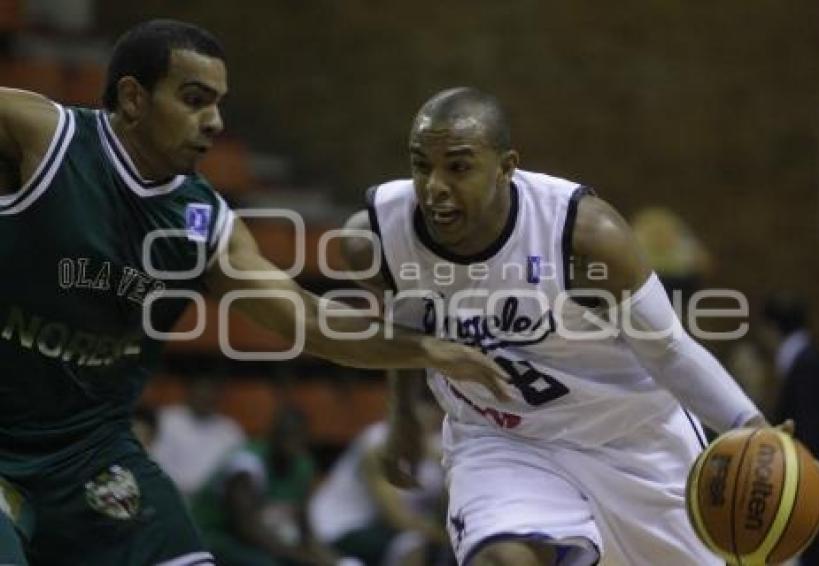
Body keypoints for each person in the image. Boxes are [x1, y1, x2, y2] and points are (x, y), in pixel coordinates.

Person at [0, 22, 508, 565]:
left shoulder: (206, 225)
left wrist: (427, 348)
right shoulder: (45, 137)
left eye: (218, 104)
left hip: (89, 454)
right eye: (195, 100)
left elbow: (310, 322)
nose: (214, 121)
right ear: (132, 98)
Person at [340, 87, 800, 565]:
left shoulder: (583, 237)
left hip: (630, 439)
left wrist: (754, 428)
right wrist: (403, 415)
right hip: (503, 442)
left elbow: (668, 350)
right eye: (421, 165)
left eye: (457, 167)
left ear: (506, 167)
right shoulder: (376, 238)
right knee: (500, 559)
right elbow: (408, 319)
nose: (434, 185)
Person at [309, 376, 451, 566]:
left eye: (435, 406)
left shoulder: (441, 446)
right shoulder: (377, 443)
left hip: (389, 528)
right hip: (344, 526)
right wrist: (443, 537)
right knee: (413, 545)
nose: (430, 412)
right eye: (423, 404)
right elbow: (394, 516)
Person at [759, 293, 819, 566]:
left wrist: (798, 488)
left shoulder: (805, 366)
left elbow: (812, 436)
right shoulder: (810, 360)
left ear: (771, 329)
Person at [192, 408, 337, 566]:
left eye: (298, 435)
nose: (291, 441)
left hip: (258, 541)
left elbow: (304, 526)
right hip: (214, 537)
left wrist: (330, 559)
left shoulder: (303, 467)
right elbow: (247, 529)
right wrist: (300, 557)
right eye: (286, 434)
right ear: (273, 435)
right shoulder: (246, 464)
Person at [152, 375, 245, 496]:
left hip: (212, 503)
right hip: (169, 495)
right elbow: (154, 462)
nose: (205, 398)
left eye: (210, 393)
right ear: (190, 392)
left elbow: (237, 471)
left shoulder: (230, 430)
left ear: (218, 397)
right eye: (201, 393)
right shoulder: (167, 420)